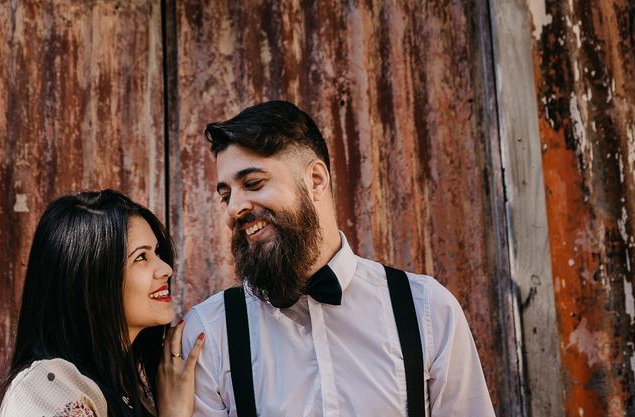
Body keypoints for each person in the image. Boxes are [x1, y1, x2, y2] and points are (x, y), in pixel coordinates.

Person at [181, 101, 495, 417]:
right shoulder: (210, 333)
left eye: (253, 184)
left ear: (315, 180)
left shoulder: (429, 311)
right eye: (226, 195)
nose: (233, 209)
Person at [0, 189, 204, 417]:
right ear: (90, 281)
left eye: (157, 252)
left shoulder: (129, 391)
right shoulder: (46, 386)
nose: (166, 269)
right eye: (141, 257)